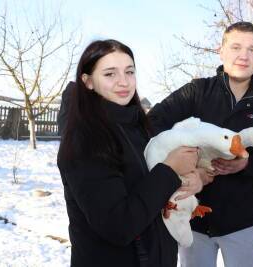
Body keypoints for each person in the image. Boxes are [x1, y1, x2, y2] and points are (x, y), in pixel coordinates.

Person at [147, 22, 253, 267]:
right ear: (222, 51)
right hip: (193, 222)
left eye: (252, 49)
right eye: (236, 46)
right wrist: (186, 166)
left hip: (245, 225)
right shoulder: (197, 91)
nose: (244, 55)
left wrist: (248, 165)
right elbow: (152, 125)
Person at [57, 39, 203, 267]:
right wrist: (170, 170)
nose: (123, 82)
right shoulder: (85, 139)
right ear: (88, 82)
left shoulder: (138, 126)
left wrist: (187, 180)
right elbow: (118, 225)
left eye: (129, 71)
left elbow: (146, 187)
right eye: (109, 74)